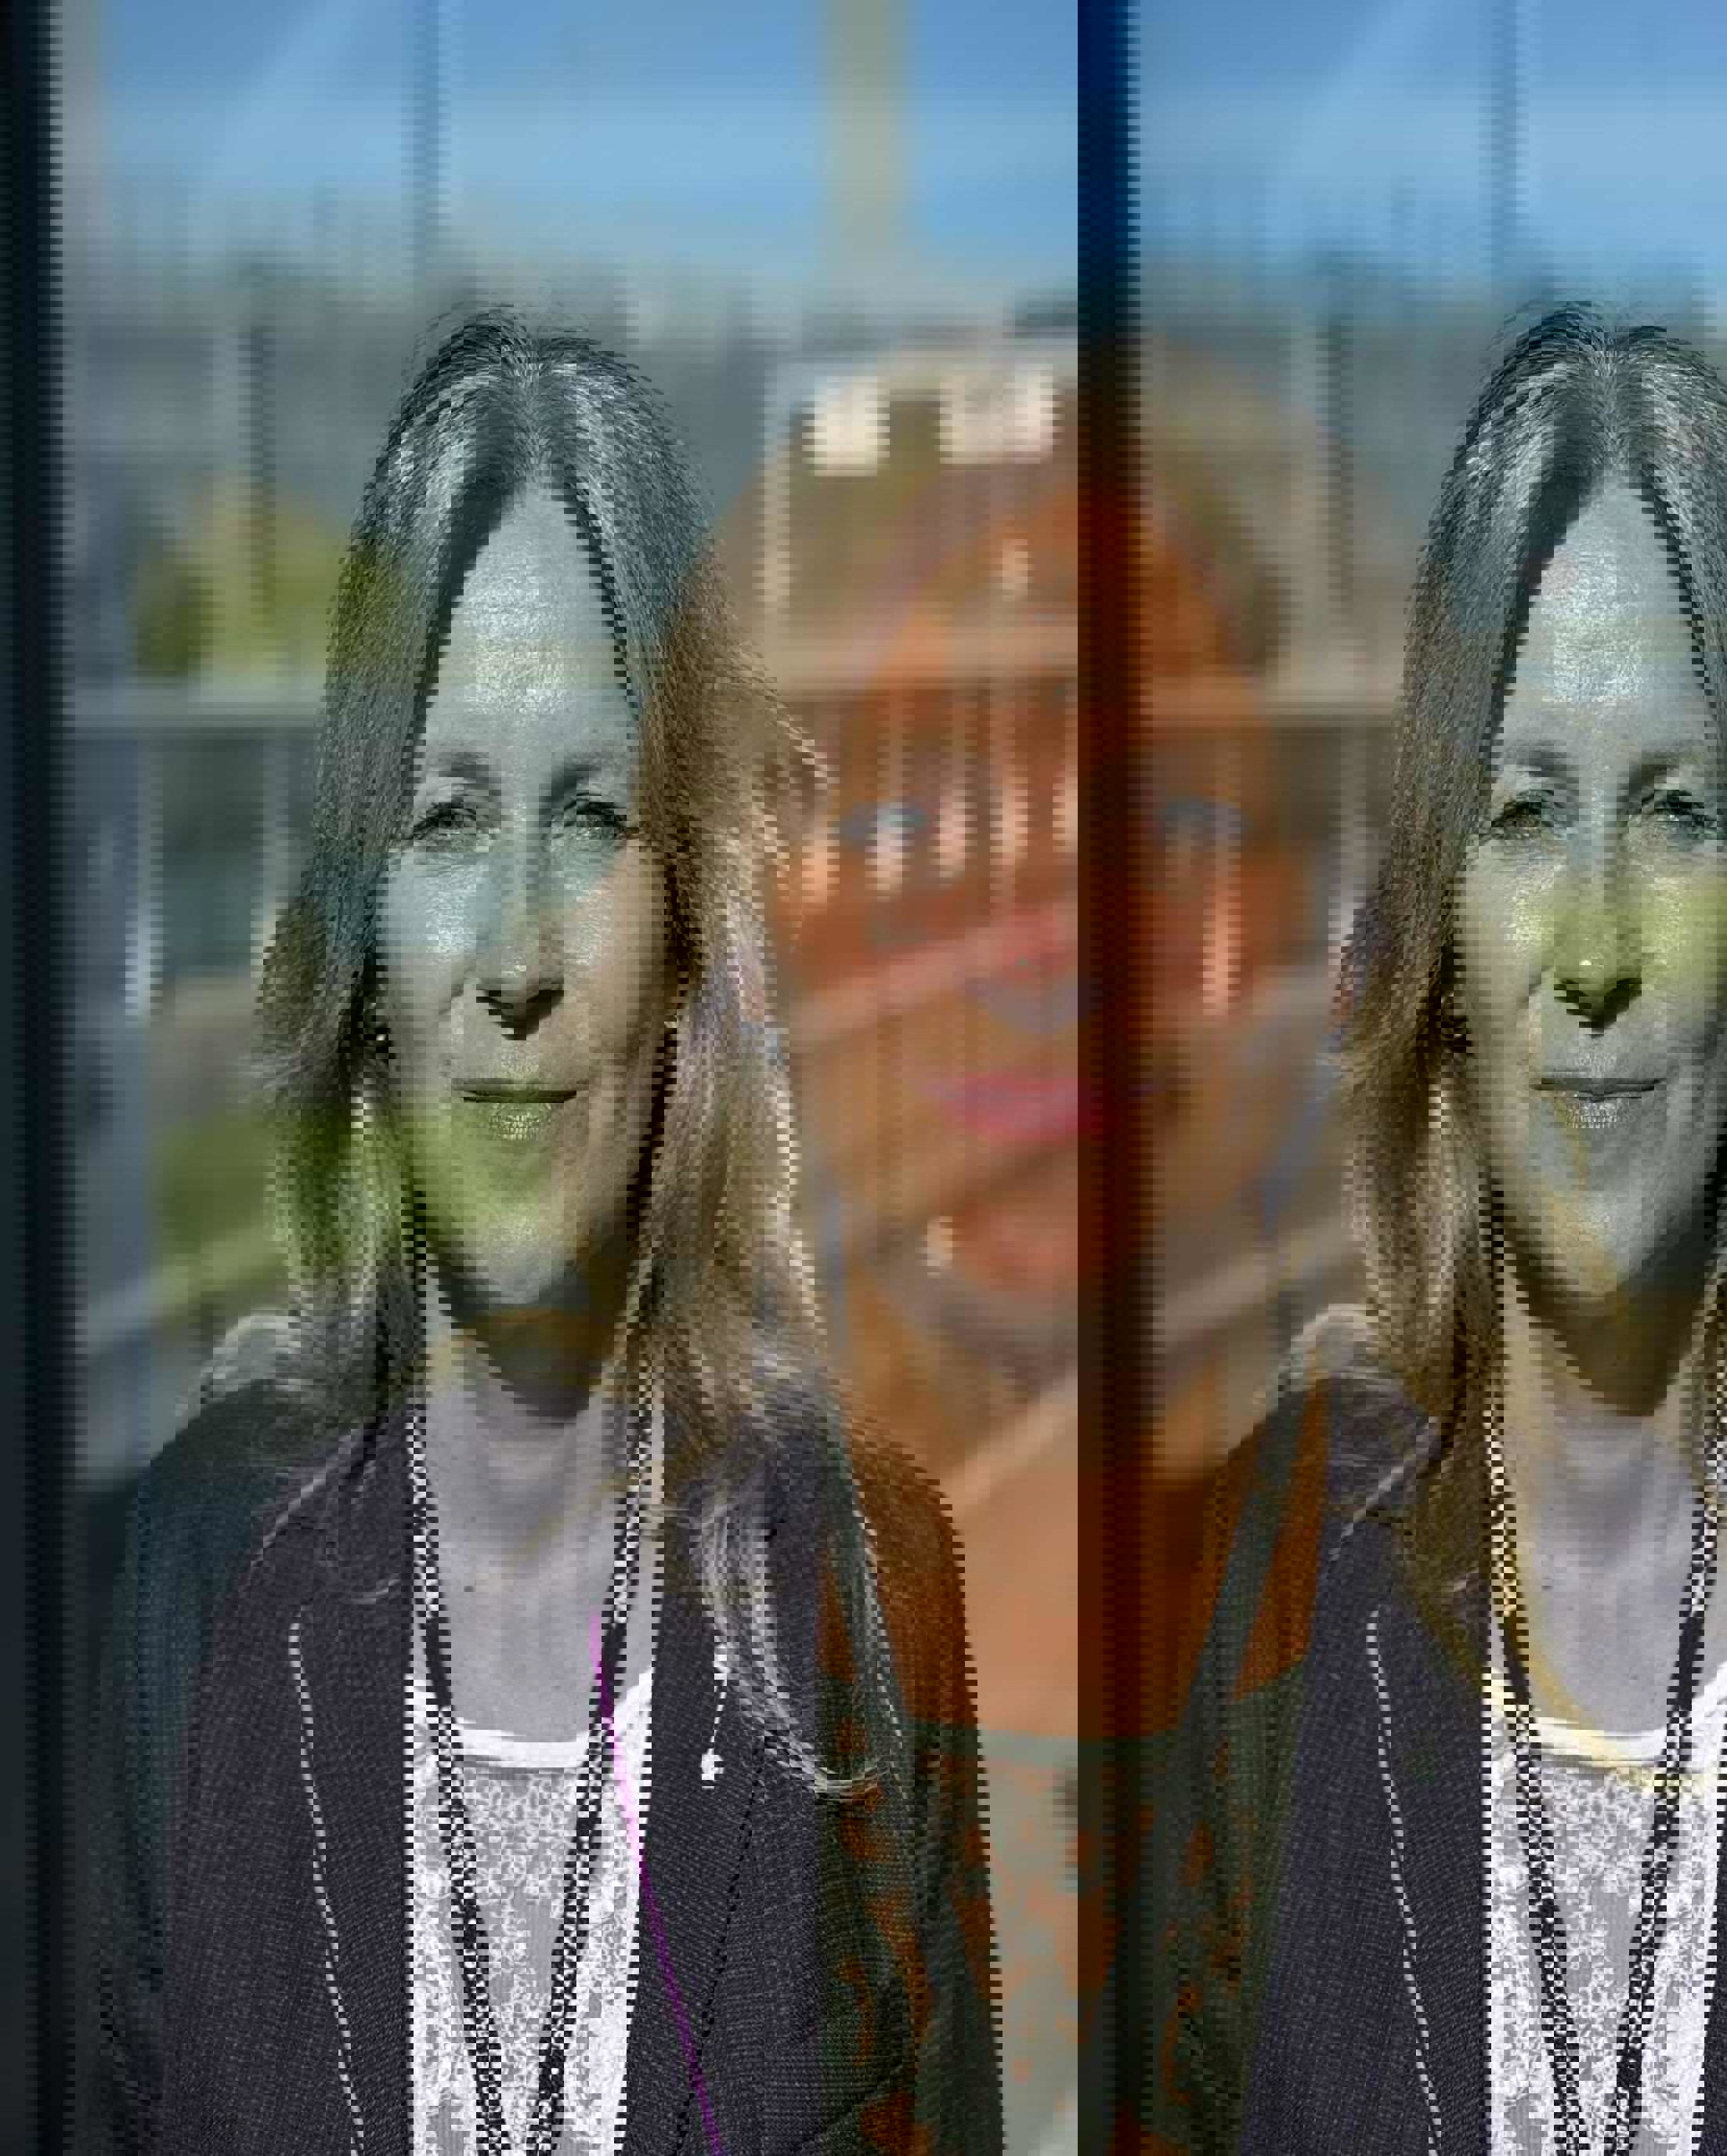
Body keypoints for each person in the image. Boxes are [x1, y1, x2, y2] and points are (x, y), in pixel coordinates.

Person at [1128, 305, 1727, 2153]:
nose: (1594, 950)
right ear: (1433, 941)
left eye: (1668, 814)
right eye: (1523, 813)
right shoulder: (1263, 1575)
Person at [81, 313, 1001, 2154]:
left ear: (684, 947)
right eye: (445, 818)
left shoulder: (865, 1586)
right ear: (361, 953)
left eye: (588, 817)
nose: (515, 958)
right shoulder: (194, 1579)